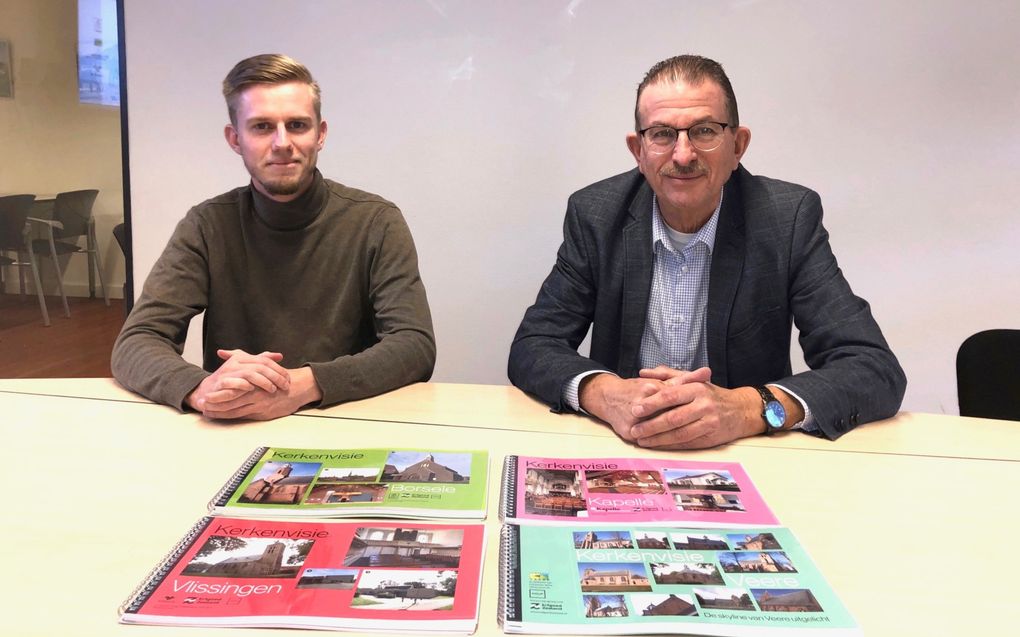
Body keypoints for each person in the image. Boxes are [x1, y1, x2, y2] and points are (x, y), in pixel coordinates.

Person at [508, 54, 905, 448]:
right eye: (662, 134)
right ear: (638, 151)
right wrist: (606, 394)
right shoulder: (596, 214)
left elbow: (872, 368)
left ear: (738, 145)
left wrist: (749, 408)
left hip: (748, 456)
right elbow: (534, 345)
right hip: (624, 452)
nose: (683, 155)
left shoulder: (786, 220)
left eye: (704, 131)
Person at [112, 53, 435, 421]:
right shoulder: (207, 225)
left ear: (321, 134)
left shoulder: (376, 221)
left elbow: (414, 345)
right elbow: (136, 341)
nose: (282, 142)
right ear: (235, 138)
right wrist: (200, 390)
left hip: (345, 421)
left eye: (297, 125)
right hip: (234, 423)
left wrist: (304, 385)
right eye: (262, 127)